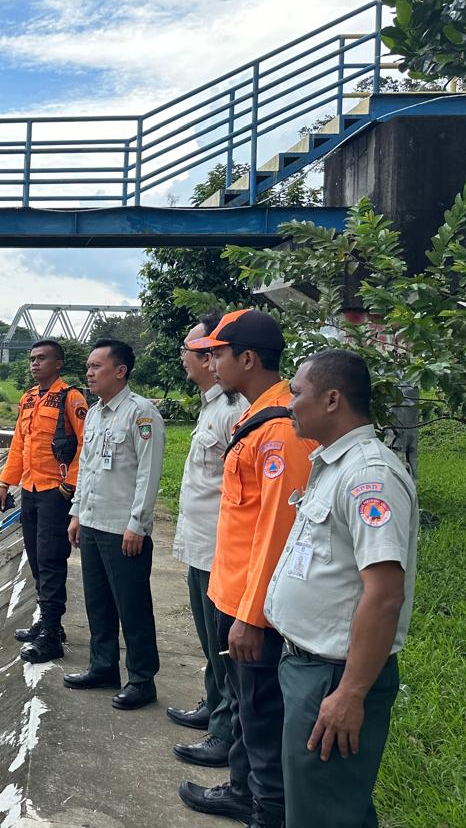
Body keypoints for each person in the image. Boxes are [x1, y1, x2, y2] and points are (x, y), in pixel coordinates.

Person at [265, 349, 418, 828]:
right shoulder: (332, 464)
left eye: (297, 393)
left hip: (334, 676)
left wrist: (351, 693)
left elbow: (385, 593)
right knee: (317, 803)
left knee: (327, 812)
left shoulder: (368, 476)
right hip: (308, 667)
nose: (289, 404)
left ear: (332, 399)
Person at [178, 308, 317, 828]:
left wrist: (252, 617)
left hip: (249, 606)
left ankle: (268, 811)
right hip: (229, 590)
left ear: (248, 358)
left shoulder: (280, 431)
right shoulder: (252, 416)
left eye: (217, 352)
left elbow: (276, 533)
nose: (209, 362)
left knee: (261, 716)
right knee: (242, 707)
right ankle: (241, 790)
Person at [63, 338, 166, 710]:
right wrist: (77, 514)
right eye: (88, 367)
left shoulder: (141, 414)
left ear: (120, 371)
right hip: (92, 522)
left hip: (123, 529)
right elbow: (87, 467)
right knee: (98, 603)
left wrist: (138, 524)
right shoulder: (94, 413)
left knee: (133, 607)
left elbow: (149, 474)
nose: (89, 373)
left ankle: (142, 679)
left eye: (97, 366)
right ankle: (103, 666)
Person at [167, 314, 248, 767]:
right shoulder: (211, 407)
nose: (190, 358)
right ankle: (214, 704)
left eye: (200, 351)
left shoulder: (234, 411)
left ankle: (225, 731)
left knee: (221, 642)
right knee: (208, 639)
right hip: (199, 543)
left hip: (219, 548)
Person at [0, 339, 88, 663]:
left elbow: (83, 446)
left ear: (58, 363)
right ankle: (47, 623)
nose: (35, 364)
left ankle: (51, 635)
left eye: (42, 358)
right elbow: (19, 446)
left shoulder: (71, 398)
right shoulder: (29, 399)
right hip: (30, 490)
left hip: (54, 493)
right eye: (32, 359)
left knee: (50, 561)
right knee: (35, 558)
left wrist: (69, 486)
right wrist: (6, 482)